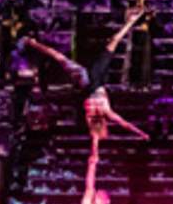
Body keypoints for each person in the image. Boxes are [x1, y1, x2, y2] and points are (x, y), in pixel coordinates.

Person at [21, 8, 150, 141]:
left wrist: (142, 134)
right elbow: (116, 129)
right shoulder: (99, 115)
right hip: (88, 79)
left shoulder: (104, 114)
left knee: (112, 42)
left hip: (93, 77)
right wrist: (141, 134)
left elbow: (123, 125)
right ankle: (32, 43)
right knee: (60, 57)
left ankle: (131, 21)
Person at [0, 0, 38, 86]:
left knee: (19, 55)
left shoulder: (22, 4)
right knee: (3, 56)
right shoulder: (2, 4)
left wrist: (20, 25)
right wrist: (3, 23)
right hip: (5, 33)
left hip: (19, 33)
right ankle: (1, 80)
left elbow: (27, 18)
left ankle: (18, 79)